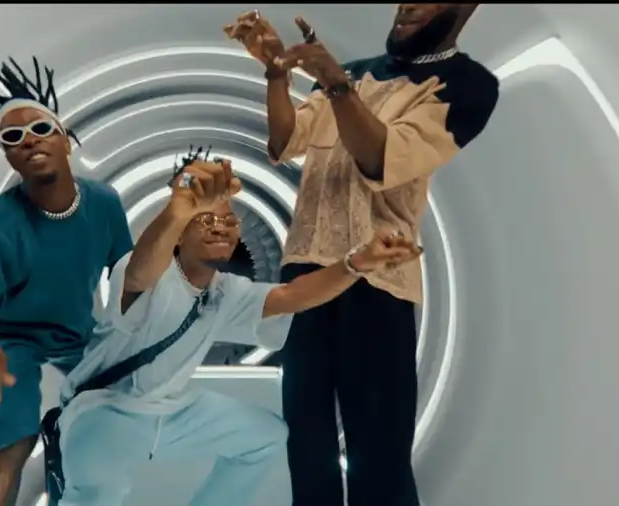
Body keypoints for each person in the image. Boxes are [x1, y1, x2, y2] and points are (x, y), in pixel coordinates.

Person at [225, 5, 499, 506]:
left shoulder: (466, 85)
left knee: (378, 448)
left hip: (379, 281)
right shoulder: (352, 72)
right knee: (306, 440)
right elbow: (287, 140)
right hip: (306, 274)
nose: (407, 6)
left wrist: (338, 88)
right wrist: (276, 75)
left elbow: (382, 157)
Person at [53, 150, 422, 506]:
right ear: (180, 234)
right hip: (105, 412)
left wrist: (356, 264)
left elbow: (292, 295)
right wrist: (177, 211)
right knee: (96, 494)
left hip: (170, 411)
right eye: (205, 220)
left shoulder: (225, 292)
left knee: (265, 436)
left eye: (228, 222)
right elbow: (140, 273)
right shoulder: (149, 271)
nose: (220, 228)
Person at [0, 57, 133, 506]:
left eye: (40, 128)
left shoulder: (103, 204)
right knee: (15, 439)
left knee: (120, 410)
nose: (29, 140)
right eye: (13, 137)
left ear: (66, 139)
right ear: (7, 156)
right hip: (11, 341)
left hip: (77, 333)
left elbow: (128, 274)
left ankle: (71, 469)